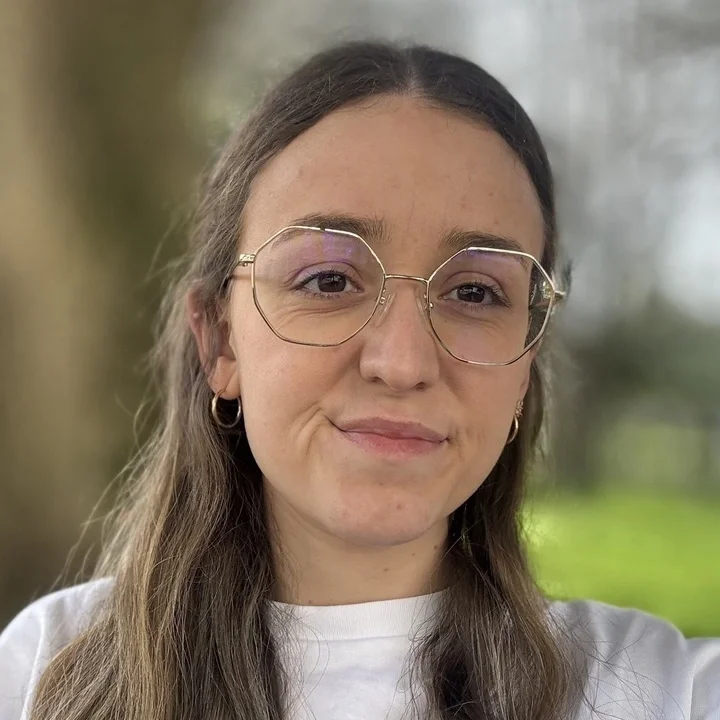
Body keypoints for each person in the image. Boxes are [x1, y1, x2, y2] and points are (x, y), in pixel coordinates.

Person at [0, 40, 717, 720]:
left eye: (475, 292)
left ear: (526, 362)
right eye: (328, 280)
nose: (402, 364)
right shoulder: (46, 673)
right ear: (219, 340)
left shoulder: (664, 692)